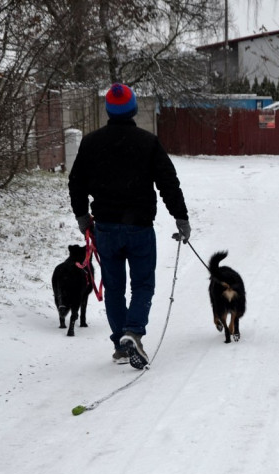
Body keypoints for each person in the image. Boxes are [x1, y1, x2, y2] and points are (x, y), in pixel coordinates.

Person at [68, 83, 192, 370]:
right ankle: (133, 332)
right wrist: (181, 217)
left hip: (107, 229)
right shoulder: (147, 142)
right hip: (139, 227)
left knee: (113, 287)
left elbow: (76, 183)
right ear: (133, 108)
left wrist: (82, 217)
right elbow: (168, 182)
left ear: (108, 110)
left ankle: (121, 345)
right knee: (143, 284)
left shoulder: (91, 142)